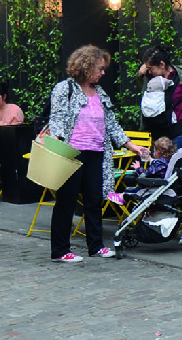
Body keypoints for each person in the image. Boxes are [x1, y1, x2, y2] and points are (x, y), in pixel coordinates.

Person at [48, 45, 149, 263]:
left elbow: (112, 125)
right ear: (86, 66)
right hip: (71, 153)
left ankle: (95, 246)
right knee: (66, 201)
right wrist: (56, 138)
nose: (103, 73)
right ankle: (59, 250)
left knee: (94, 201)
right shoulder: (64, 89)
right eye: (100, 69)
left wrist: (133, 147)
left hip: (97, 153)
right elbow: (55, 118)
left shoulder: (100, 93)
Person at [138, 47, 182, 151]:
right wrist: (141, 74)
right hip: (159, 136)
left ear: (162, 64)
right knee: (159, 167)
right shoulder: (151, 78)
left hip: (179, 133)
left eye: (151, 68)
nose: (149, 71)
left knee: (181, 165)